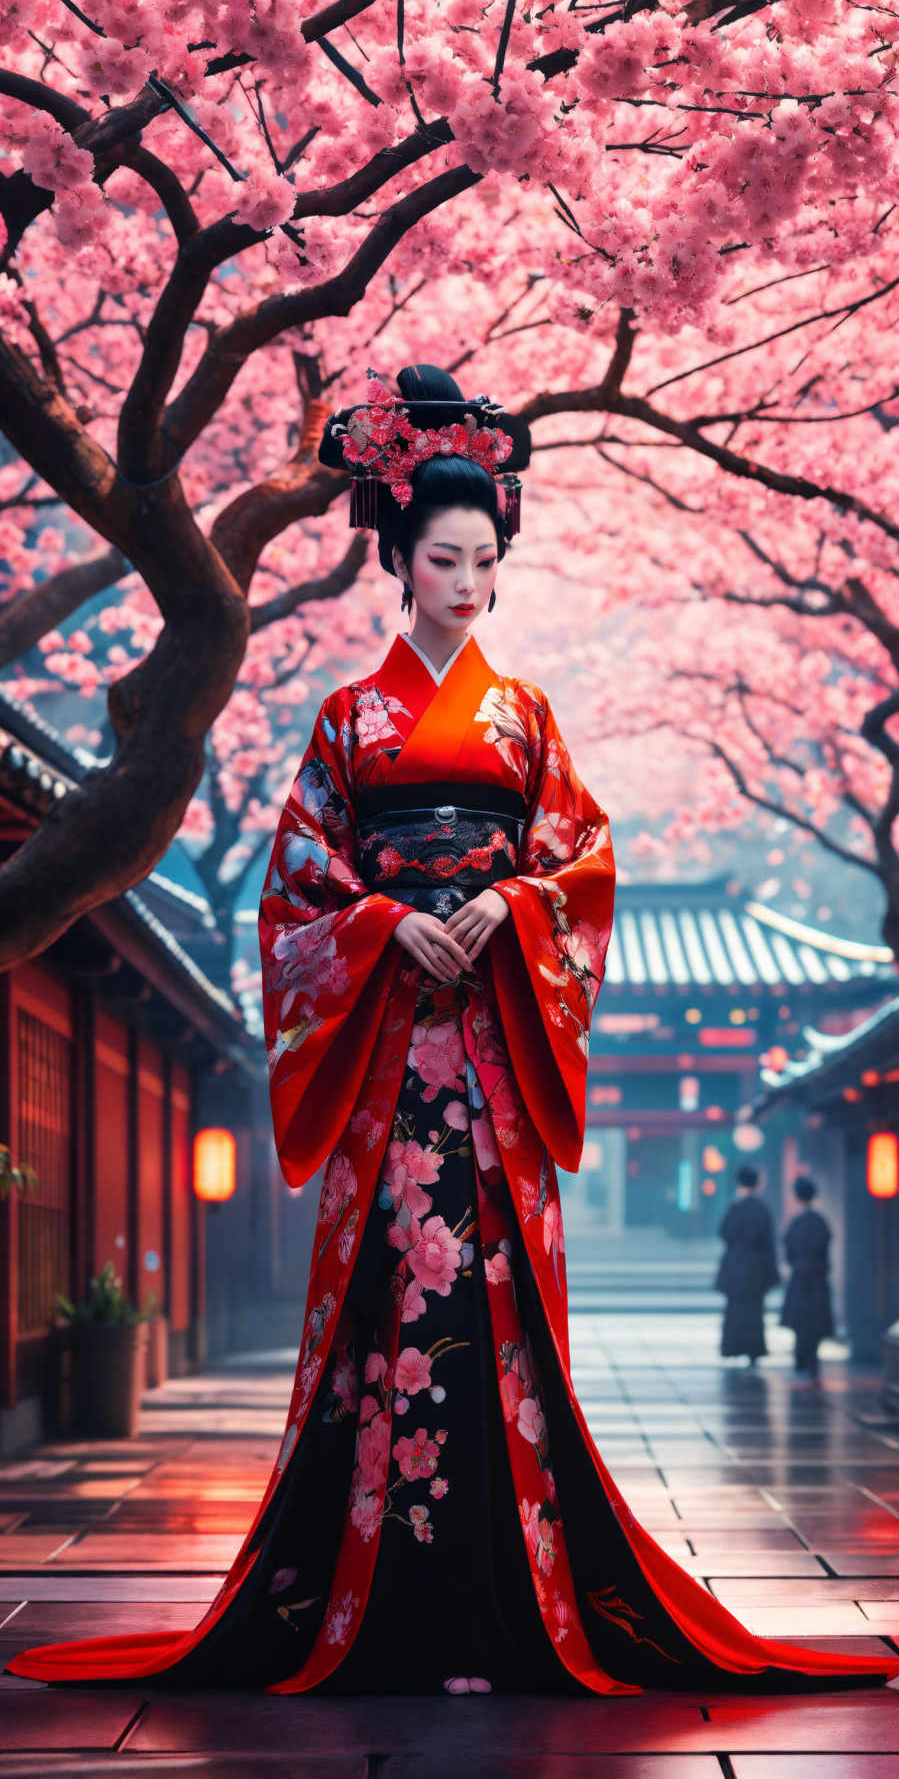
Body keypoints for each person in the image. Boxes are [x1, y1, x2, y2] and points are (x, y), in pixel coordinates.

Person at [6, 364, 895, 1698]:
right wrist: (378, 928)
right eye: (441, 558)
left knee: (497, 1315)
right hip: (387, 1059)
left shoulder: (524, 716)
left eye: (483, 559)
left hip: (490, 1037)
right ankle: (378, 1591)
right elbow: (297, 889)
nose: (466, 582)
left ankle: (504, 1587)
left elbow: (583, 862)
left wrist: (508, 910)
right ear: (398, 562)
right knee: (387, 1300)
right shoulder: (345, 718)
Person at [715, 1165, 780, 1365]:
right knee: (754, 1312)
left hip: (736, 1267)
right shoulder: (762, 1209)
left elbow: (724, 1232)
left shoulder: (735, 1207)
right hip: (756, 1269)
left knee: (735, 1311)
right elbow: (769, 1241)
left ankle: (733, 1348)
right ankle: (753, 1350)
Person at [782, 1176, 835, 1380]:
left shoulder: (796, 1223)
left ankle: (801, 1359)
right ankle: (811, 1359)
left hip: (800, 1277)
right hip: (818, 1278)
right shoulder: (820, 1222)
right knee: (815, 1321)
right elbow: (825, 1250)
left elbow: (788, 1250)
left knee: (800, 1322)